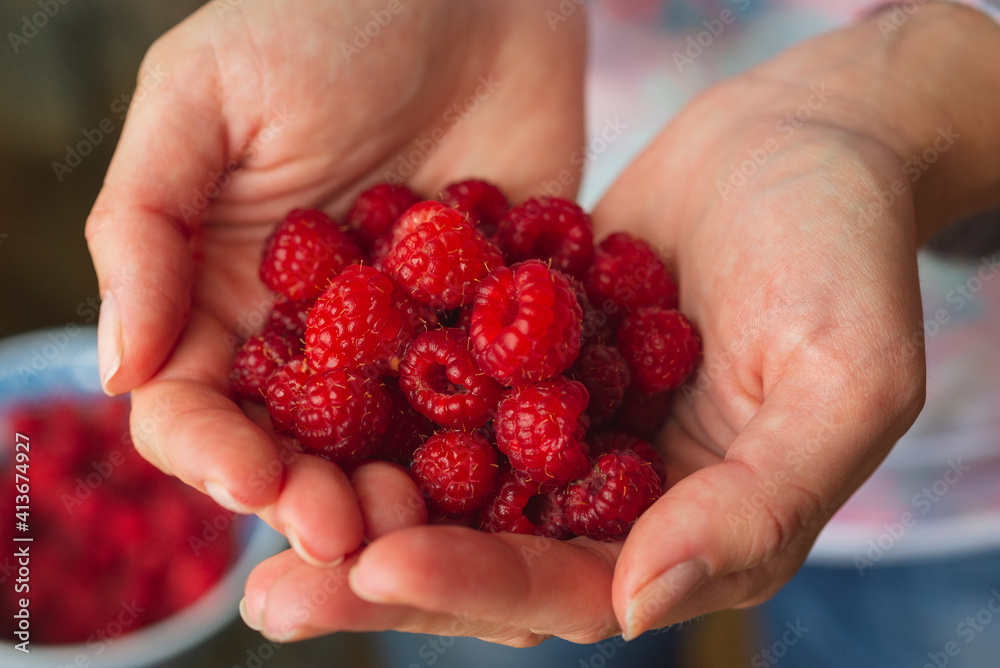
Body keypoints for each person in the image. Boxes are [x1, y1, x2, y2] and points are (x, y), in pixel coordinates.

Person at [85, 0, 1000, 661]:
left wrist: (926, 98)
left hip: (962, 477)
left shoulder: (577, 351)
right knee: (460, 600)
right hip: (534, 117)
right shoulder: (461, 329)